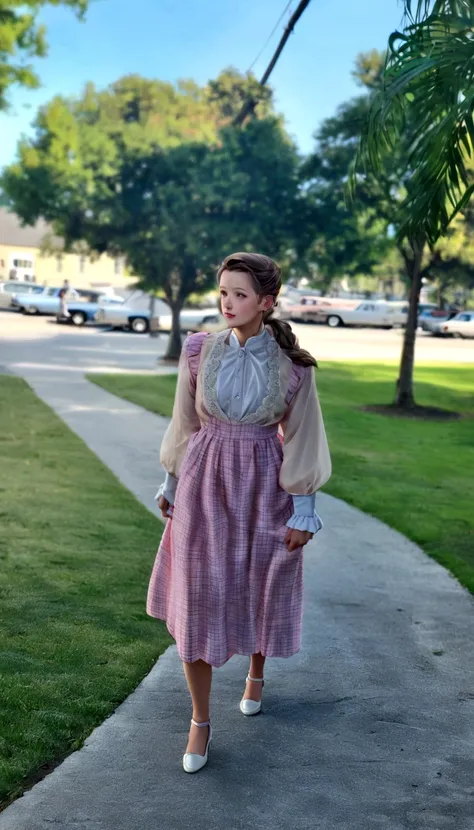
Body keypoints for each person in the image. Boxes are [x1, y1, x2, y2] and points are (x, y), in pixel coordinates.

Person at [146, 252, 331, 774]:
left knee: (260, 583)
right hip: (205, 482)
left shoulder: (293, 367)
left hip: (264, 486)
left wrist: (303, 511)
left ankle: (256, 673)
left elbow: (303, 438)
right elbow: (184, 422)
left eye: (240, 294)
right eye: (223, 292)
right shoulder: (199, 350)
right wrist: (170, 482)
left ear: (267, 302)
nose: (227, 303)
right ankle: (201, 721)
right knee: (199, 594)